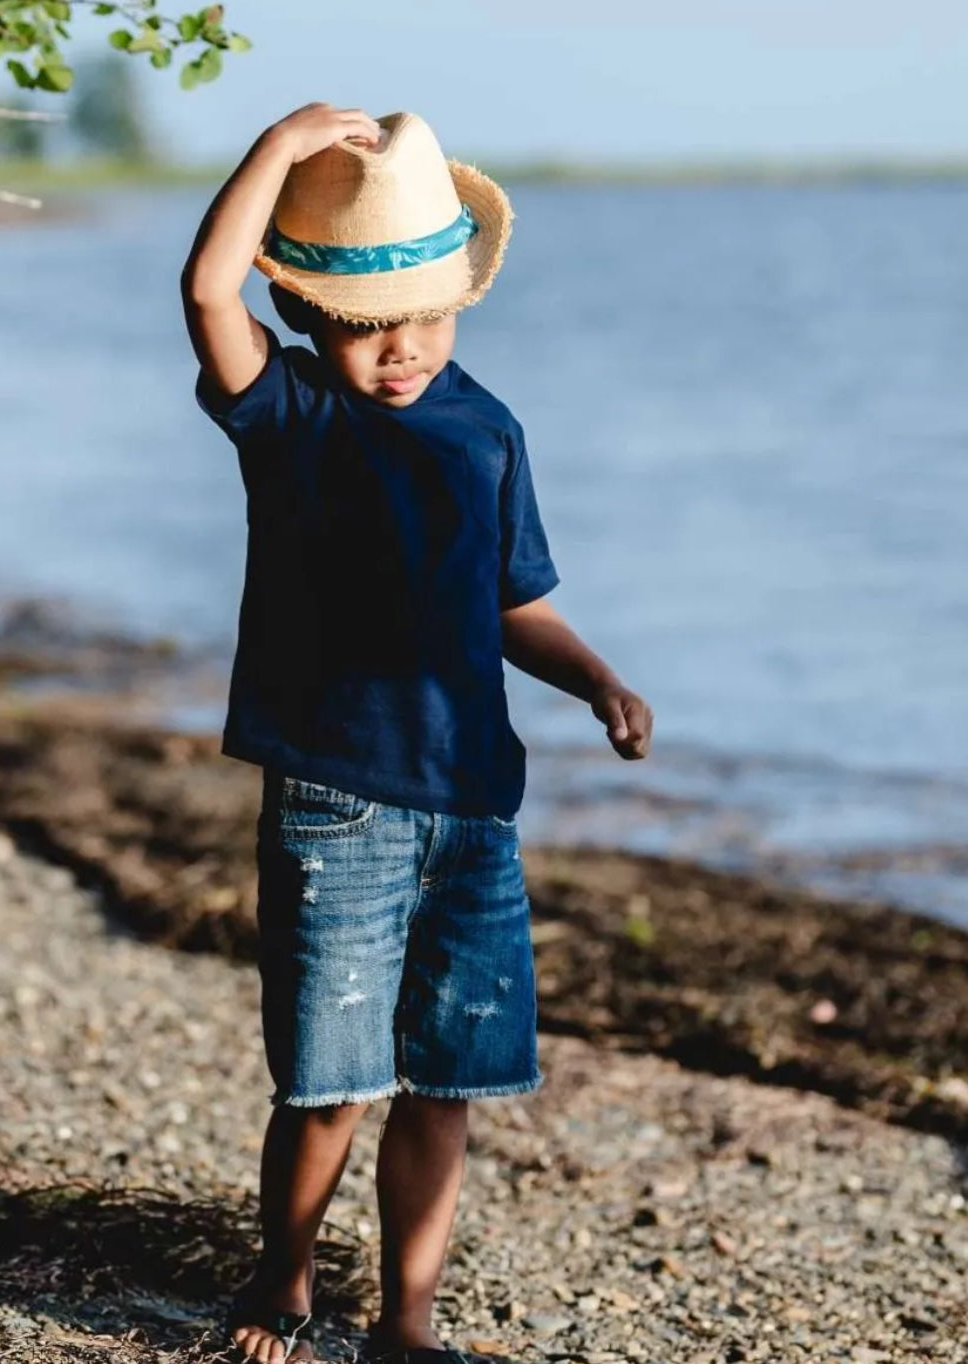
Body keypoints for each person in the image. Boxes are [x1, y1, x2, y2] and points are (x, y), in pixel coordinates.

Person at [181, 103, 653, 1364]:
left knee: (453, 1080)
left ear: (460, 305)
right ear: (310, 322)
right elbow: (207, 287)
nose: (400, 351)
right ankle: (280, 1279)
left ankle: (408, 1321)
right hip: (339, 794)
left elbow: (511, 602)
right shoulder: (291, 416)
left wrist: (595, 676)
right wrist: (276, 154)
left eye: (425, 320)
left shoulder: (487, 428)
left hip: (473, 806)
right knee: (329, 1079)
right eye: (365, 328)